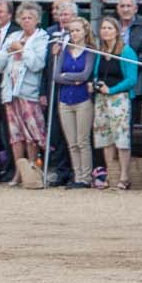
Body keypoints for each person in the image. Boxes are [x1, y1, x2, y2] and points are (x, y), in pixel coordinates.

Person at [0, 2, 51, 187]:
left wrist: (22, 50)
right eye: (23, 18)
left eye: (30, 18)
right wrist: (7, 51)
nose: (26, 21)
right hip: (10, 92)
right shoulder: (13, 36)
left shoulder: (42, 37)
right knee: (15, 135)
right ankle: (19, 172)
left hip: (29, 92)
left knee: (31, 134)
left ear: (37, 20)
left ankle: (33, 171)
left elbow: (37, 64)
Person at [91, 18, 140, 189]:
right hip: (102, 99)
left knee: (121, 138)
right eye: (103, 28)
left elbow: (132, 79)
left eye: (109, 28)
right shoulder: (101, 51)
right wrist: (96, 84)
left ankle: (124, 176)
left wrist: (111, 90)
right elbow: (97, 73)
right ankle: (111, 175)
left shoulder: (126, 51)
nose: (105, 31)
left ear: (117, 31)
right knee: (106, 137)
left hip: (119, 99)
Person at [51, 19, 97, 187]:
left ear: (85, 31)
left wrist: (66, 77)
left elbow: (85, 75)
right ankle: (77, 176)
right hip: (65, 100)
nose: (74, 34)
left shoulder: (90, 51)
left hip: (83, 99)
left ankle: (85, 177)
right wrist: (72, 79)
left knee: (82, 140)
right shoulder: (65, 50)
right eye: (71, 31)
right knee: (71, 142)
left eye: (77, 30)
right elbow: (56, 76)